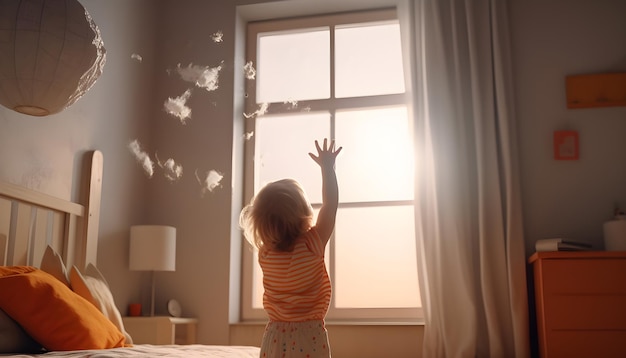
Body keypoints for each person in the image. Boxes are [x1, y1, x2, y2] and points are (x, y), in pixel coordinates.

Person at [240, 138, 342, 358]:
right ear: (302, 214)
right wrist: (327, 168)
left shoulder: (265, 253)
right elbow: (330, 206)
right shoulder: (312, 244)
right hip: (310, 334)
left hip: (275, 334)